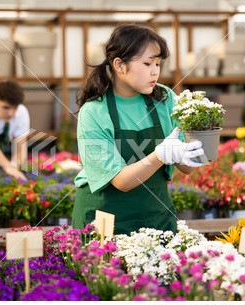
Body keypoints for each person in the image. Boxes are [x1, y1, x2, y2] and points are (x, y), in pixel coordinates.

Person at [72, 24, 204, 235]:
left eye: (158, 64)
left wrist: (198, 144)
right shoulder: (94, 112)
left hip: (155, 216)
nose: (155, 71)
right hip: (104, 221)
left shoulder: (165, 98)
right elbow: (122, 181)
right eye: (147, 63)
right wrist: (160, 155)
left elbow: (186, 167)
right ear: (119, 65)